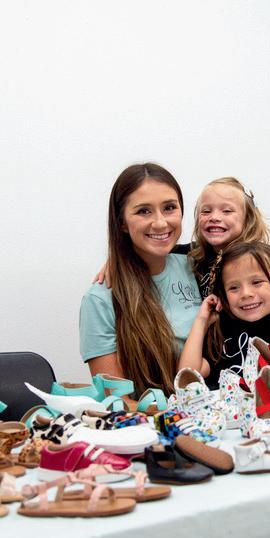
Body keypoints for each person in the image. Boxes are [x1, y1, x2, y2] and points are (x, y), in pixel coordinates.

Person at [96, 176, 270, 368]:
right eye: (206, 211)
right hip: (219, 353)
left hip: (266, 341)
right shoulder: (193, 254)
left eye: (227, 210)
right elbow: (150, 248)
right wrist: (119, 261)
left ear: (248, 218)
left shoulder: (257, 257)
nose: (215, 217)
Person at [79, 163, 201, 395]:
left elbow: (256, 254)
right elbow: (119, 400)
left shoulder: (198, 265)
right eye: (144, 211)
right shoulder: (100, 299)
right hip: (153, 415)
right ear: (122, 222)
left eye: (169, 208)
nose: (160, 222)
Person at [178, 241, 270, 388]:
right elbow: (187, 378)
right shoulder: (221, 332)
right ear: (223, 295)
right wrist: (201, 321)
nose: (246, 293)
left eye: (257, 282)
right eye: (233, 287)